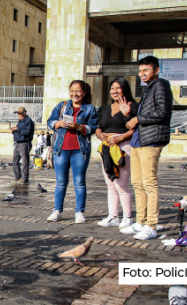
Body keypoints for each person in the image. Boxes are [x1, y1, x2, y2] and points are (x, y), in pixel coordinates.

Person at [119, 56, 172, 241]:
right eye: (140, 71)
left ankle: (152, 225)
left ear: (156, 70)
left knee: (149, 182)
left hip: (152, 140)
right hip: (139, 141)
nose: (142, 74)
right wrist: (131, 114)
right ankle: (140, 221)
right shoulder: (149, 89)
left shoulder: (161, 85)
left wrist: (138, 118)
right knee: (138, 183)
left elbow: (162, 112)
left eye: (146, 70)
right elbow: (146, 114)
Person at [46, 80, 98, 224]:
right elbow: (50, 122)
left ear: (84, 92)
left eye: (78, 91)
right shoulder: (62, 106)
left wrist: (79, 126)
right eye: (72, 90)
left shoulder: (89, 109)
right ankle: (57, 211)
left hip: (80, 151)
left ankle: (79, 212)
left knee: (79, 182)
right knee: (61, 182)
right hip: (61, 150)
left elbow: (93, 128)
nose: (74, 94)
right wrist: (58, 123)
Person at [95, 78, 139, 229]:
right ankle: (113, 216)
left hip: (123, 147)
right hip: (107, 147)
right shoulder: (104, 108)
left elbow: (135, 129)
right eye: (112, 88)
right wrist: (100, 135)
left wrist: (120, 138)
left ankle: (127, 218)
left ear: (124, 89)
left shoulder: (132, 106)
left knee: (122, 185)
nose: (114, 91)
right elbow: (99, 127)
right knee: (110, 184)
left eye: (118, 88)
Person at [11, 107, 35, 184]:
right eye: (18, 113)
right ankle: (17, 177)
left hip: (24, 143)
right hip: (18, 142)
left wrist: (17, 129)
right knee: (15, 160)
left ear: (24, 113)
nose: (19, 115)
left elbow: (27, 132)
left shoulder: (28, 121)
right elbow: (19, 131)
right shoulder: (20, 121)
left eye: (20, 113)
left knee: (25, 161)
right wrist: (13, 130)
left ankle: (25, 178)